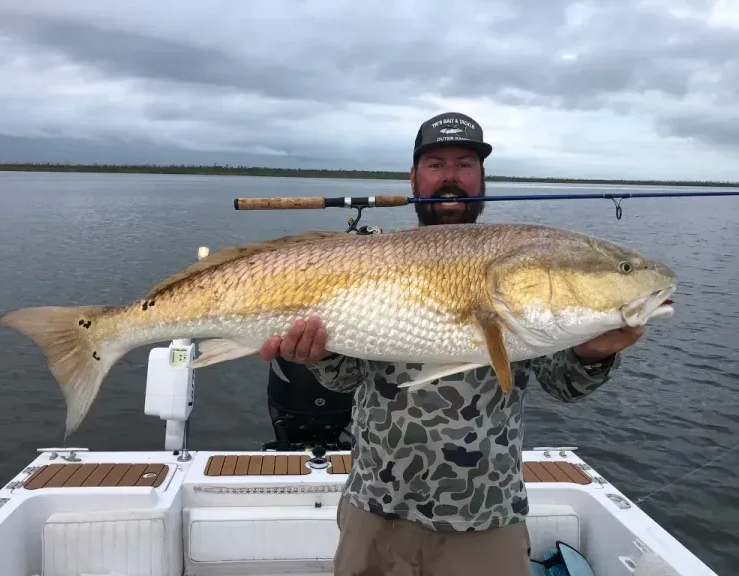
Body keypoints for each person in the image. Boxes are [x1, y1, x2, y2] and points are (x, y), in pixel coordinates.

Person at [258, 111, 646, 576]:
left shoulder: (523, 267)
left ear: (482, 178)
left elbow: (565, 387)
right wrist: (318, 355)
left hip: (485, 514)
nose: (450, 178)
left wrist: (594, 352)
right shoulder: (367, 257)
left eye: (464, 164)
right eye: (436, 164)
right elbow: (345, 382)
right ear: (414, 177)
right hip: (376, 504)